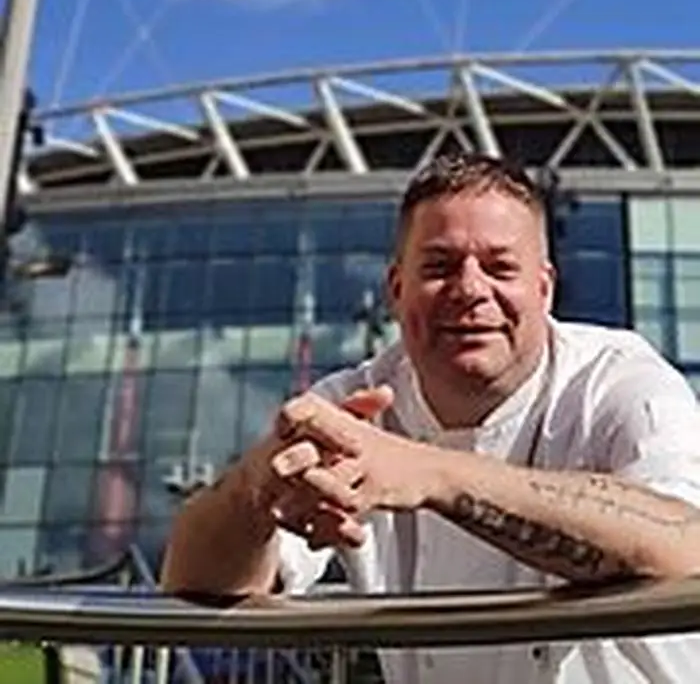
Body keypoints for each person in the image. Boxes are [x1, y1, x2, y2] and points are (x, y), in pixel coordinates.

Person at [162, 152, 700, 683]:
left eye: (500, 267)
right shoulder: (354, 402)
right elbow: (189, 580)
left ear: (544, 288)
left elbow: (685, 541)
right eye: (440, 266)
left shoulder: (617, 379)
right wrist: (254, 492)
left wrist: (428, 473)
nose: (470, 289)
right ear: (397, 290)